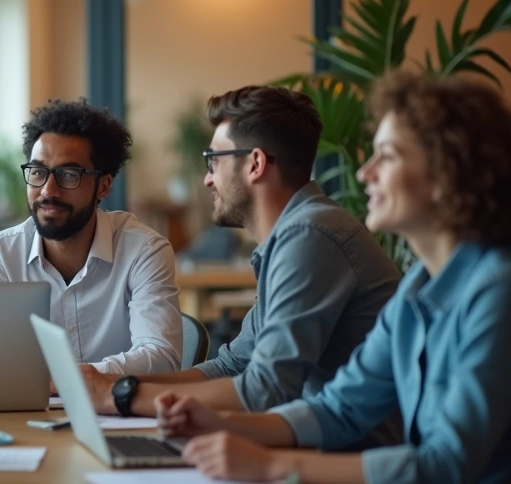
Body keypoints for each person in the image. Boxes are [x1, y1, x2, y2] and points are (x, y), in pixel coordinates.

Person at [156, 70, 511, 484]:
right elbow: (340, 408)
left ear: (447, 172)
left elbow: (446, 466)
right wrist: (222, 423)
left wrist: (271, 465)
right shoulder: (417, 290)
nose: (365, 173)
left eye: (389, 156)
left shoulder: (497, 292)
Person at [81, 86, 401, 448]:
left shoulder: (311, 234)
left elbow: (267, 389)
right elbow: (232, 365)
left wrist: (119, 398)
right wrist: (119, 386)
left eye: (213, 160)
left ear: (255, 164)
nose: (207, 178)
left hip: (352, 461)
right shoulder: (296, 234)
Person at [0, 98, 182, 373]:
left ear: (103, 186)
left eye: (69, 175)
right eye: (38, 172)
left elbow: (162, 358)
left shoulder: (143, 251)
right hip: (30, 415)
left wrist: (73, 379)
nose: (48, 190)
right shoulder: (2, 253)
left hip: (120, 413)